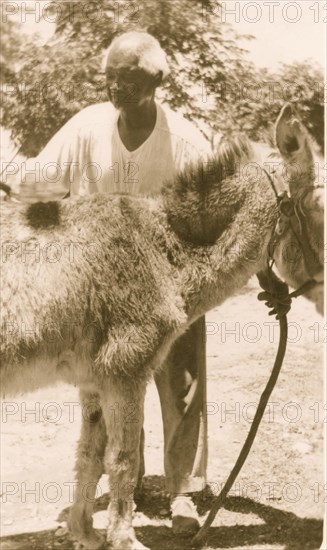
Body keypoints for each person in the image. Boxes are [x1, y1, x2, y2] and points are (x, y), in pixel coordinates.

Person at [17, 31, 211, 534]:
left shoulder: (187, 144)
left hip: (172, 287)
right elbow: (40, 178)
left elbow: (215, 218)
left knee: (182, 386)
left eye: (127, 77)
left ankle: (184, 491)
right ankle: (124, 481)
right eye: (109, 76)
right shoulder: (87, 127)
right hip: (101, 295)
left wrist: (268, 280)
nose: (115, 87)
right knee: (106, 394)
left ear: (156, 80)